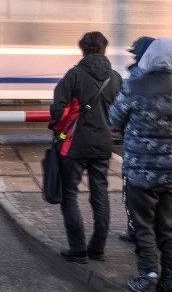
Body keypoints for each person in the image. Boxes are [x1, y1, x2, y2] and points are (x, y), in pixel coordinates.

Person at [109, 38, 172, 292]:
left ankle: (147, 277)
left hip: (140, 172)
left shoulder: (134, 86)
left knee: (144, 225)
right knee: (169, 226)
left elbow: (114, 118)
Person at [49, 31, 122, 265]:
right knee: (100, 194)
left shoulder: (74, 75)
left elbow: (58, 109)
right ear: (104, 49)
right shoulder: (116, 78)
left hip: (74, 144)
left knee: (69, 194)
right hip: (103, 144)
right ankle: (97, 249)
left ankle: (78, 249)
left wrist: (58, 130)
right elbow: (120, 112)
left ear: (83, 49)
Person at [118, 35, 155, 245]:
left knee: (133, 192)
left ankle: (135, 231)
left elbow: (118, 113)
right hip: (165, 153)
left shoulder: (134, 80)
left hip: (136, 147)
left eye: (135, 53)